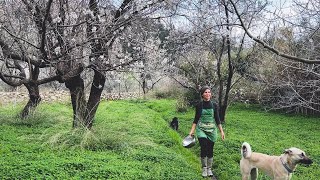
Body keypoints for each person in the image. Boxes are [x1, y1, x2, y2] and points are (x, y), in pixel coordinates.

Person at [189, 85, 225, 178]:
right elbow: (196, 119)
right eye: (205, 92)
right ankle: (204, 168)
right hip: (201, 129)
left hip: (212, 130)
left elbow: (217, 119)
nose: (208, 94)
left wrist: (221, 131)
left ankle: (209, 169)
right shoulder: (199, 105)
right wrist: (192, 131)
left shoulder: (214, 105)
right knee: (204, 147)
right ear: (202, 94)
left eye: (209, 92)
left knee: (210, 149)